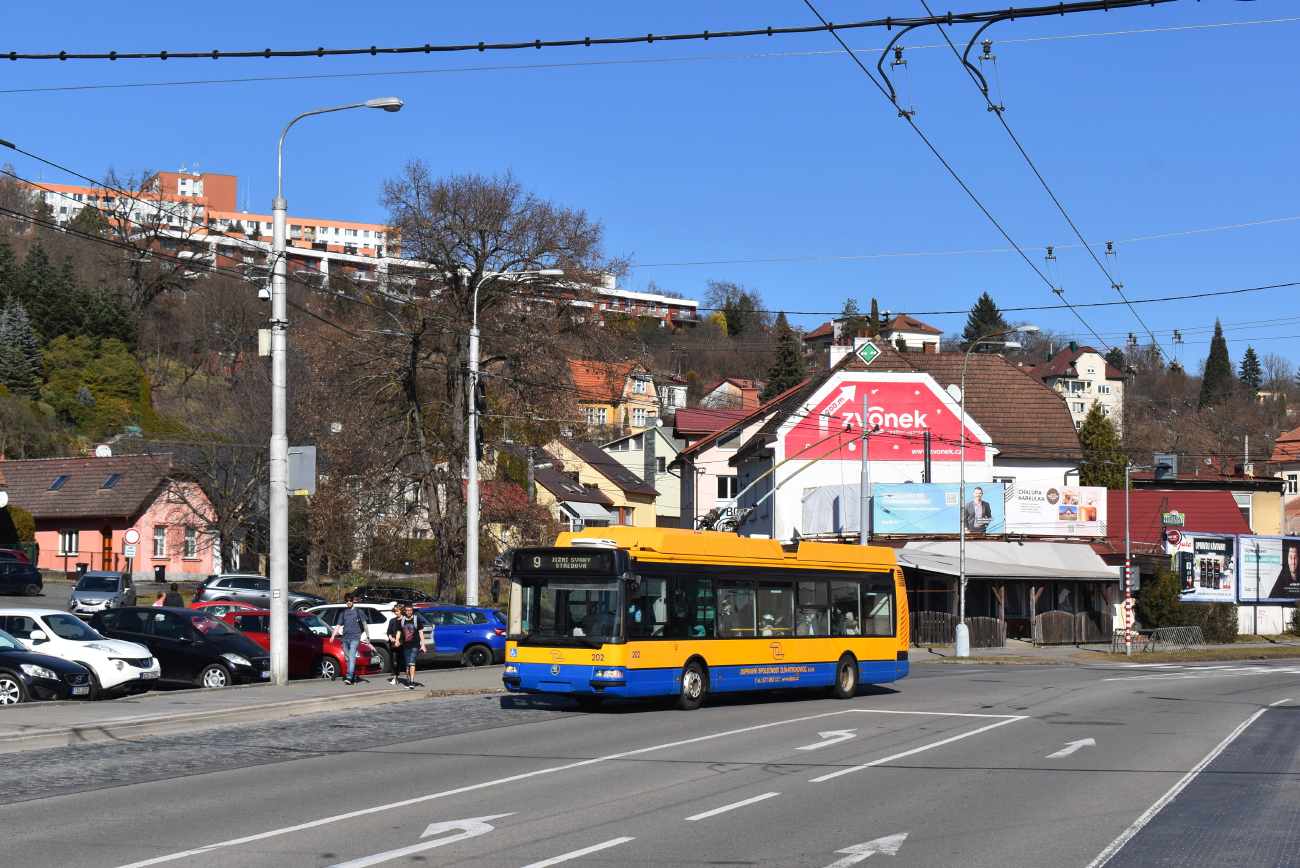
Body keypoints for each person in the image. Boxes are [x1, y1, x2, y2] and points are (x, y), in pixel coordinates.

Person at [331, 595, 370, 684]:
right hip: (345, 638)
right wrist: (333, 636)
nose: (349, 602)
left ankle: (349, 676)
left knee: (352, 657)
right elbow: (338, 625)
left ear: (353, 601)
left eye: (350, 600)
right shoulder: (343, 613)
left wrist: (368, 637)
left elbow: (365, 624)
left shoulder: (358, 611)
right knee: (347, 658)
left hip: (355, 638)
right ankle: (353, 676)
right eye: (347, 600)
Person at [395, 604, 428, 690]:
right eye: (407, 610)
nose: (409, 612)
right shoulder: (402, 621)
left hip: (415, 645)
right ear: (404, 611)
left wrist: (423, 645)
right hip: (406, 645)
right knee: (407, 665)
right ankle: (409, 680)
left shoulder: (416, 620)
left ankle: (412, 681)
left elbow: (421, 632)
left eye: (410, 610)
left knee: (412, 663)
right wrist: (397, 640)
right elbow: (399, 631)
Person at [386, 603, 405, 684]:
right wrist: (391, 638)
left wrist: (401, 641)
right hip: (393, 643)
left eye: (397, 611)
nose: (396, 613)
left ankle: (409, 677)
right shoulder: (392, 621)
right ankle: (395, 677)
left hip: (403, 643)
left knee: (403, 660)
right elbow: (389, 631)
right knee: (394, 660)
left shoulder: (405, 620)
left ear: (401, 611)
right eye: (395, 611)